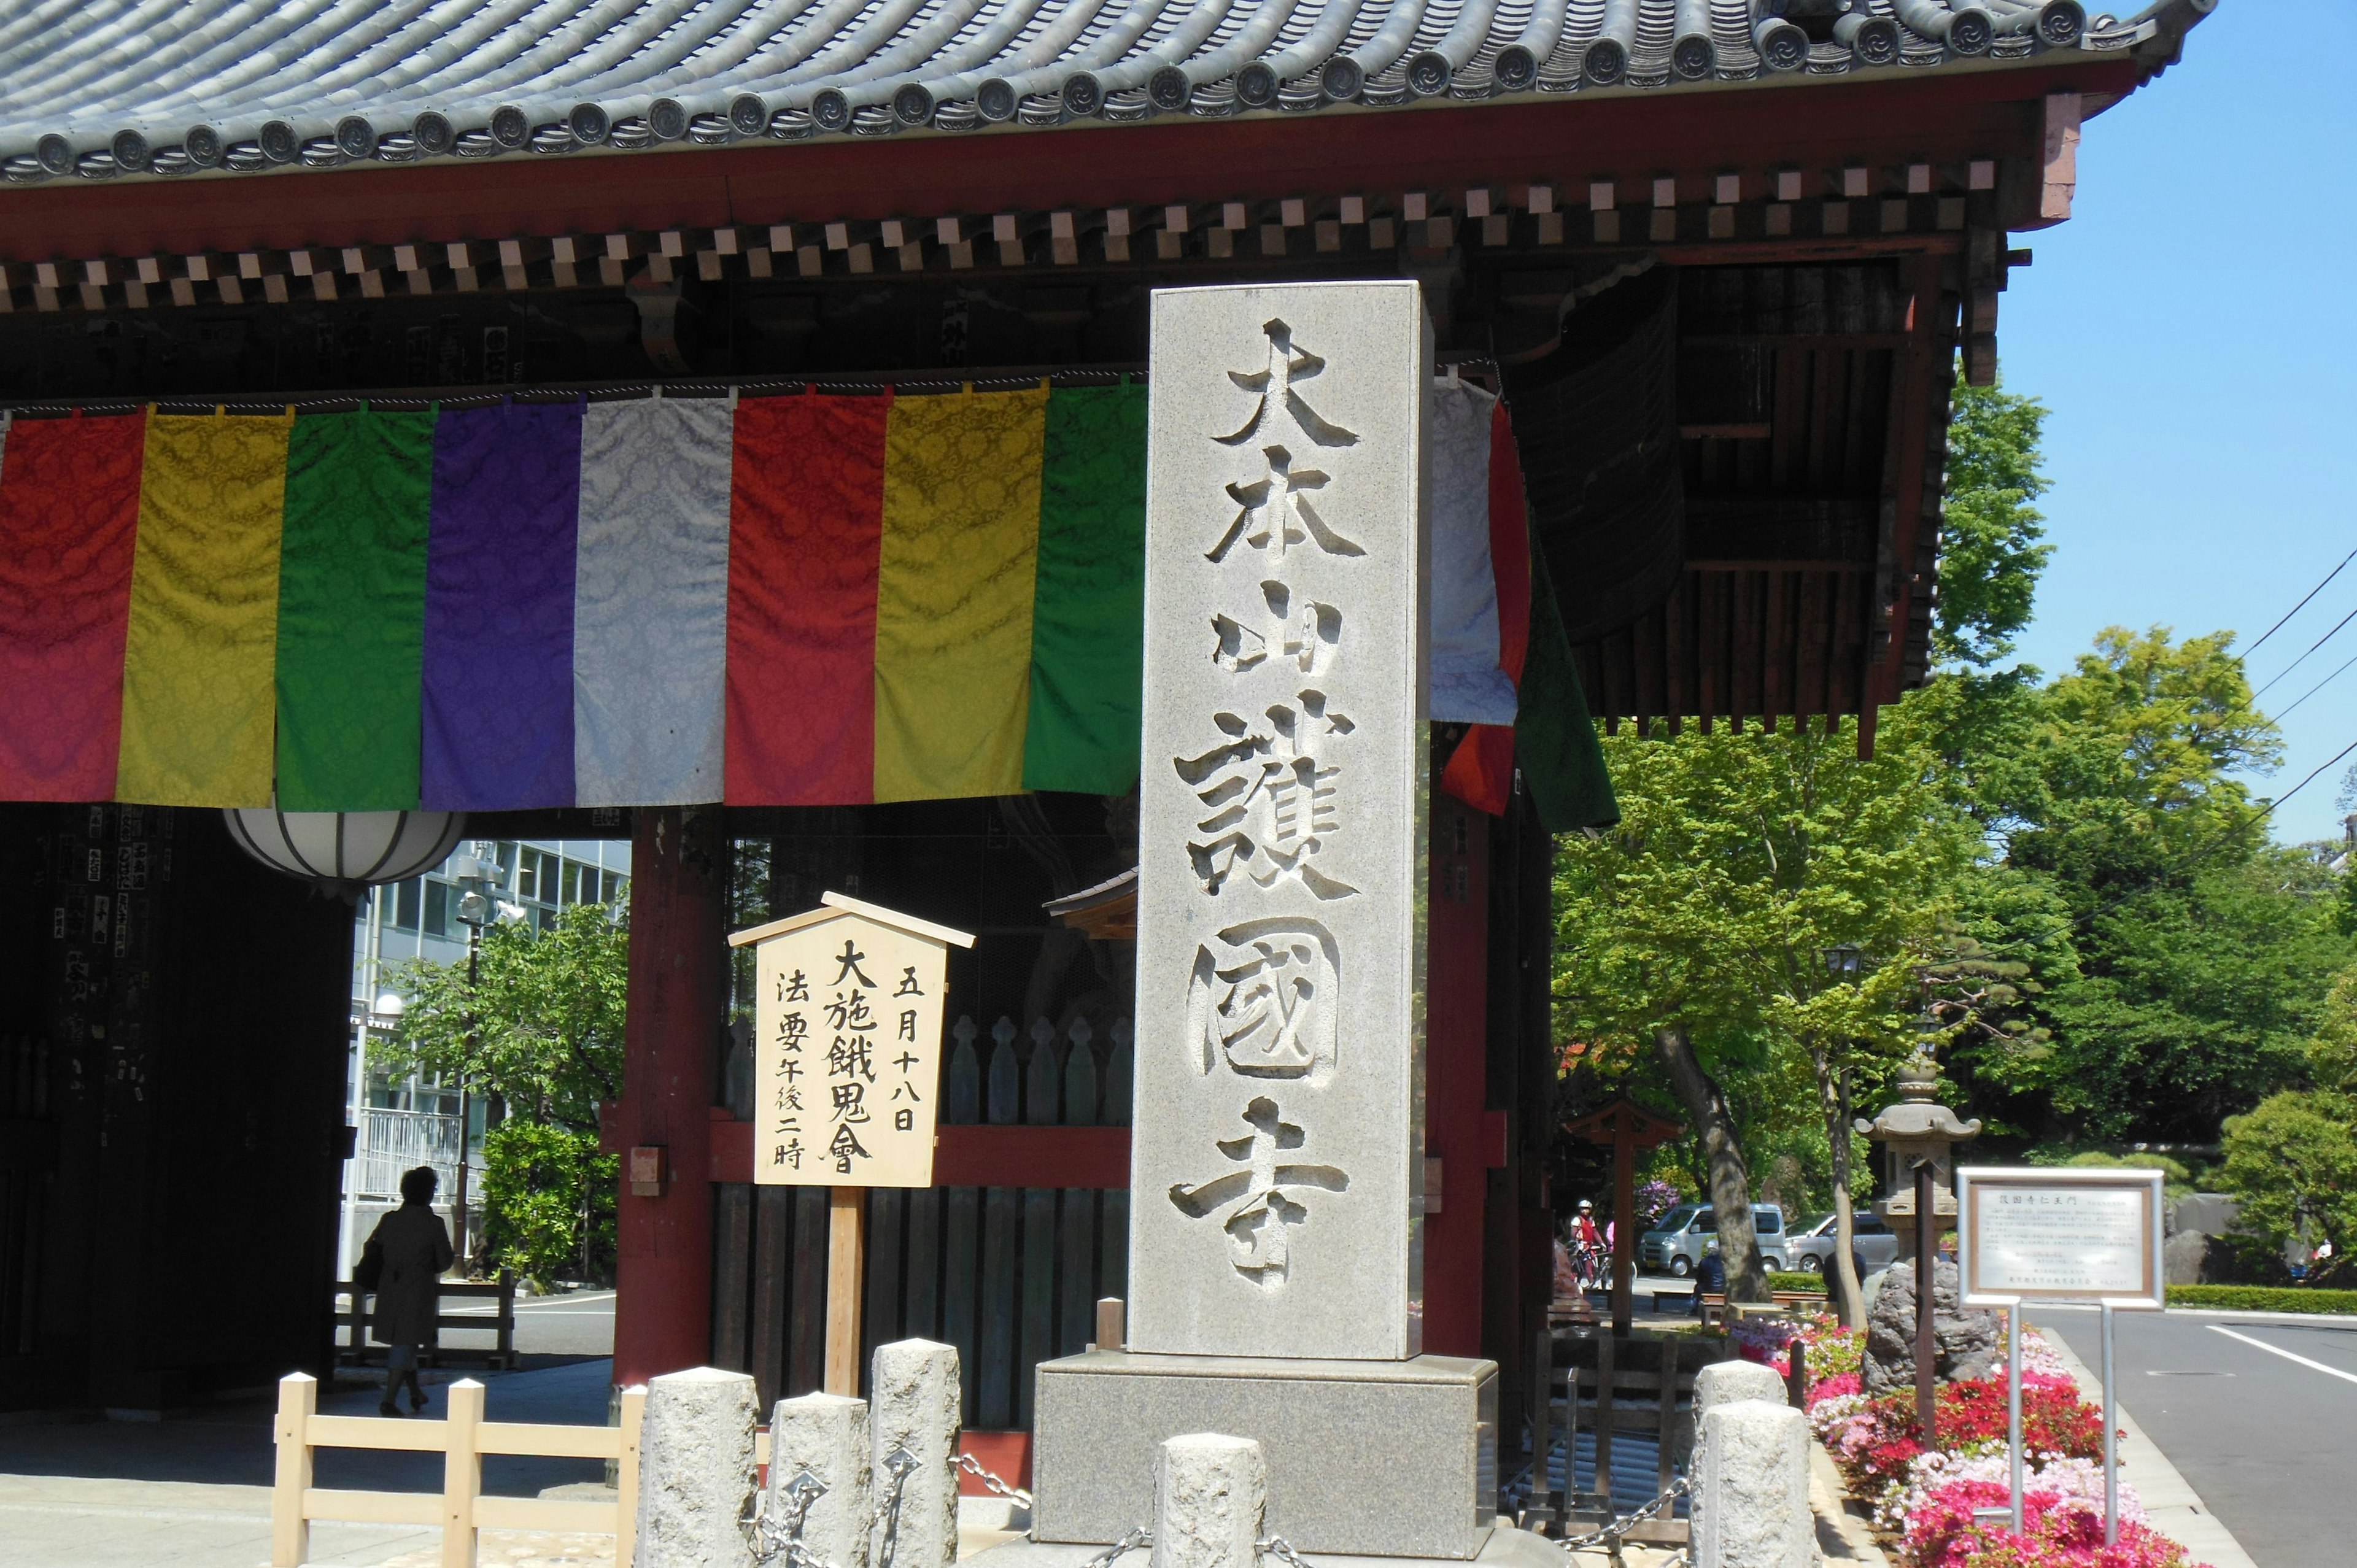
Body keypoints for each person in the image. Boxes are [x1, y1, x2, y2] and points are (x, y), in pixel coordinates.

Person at [359, 1165, 454, 1416]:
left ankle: (415, 1393)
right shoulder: (433, 1224)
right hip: (417, 1290)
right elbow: (445, 1261)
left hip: (389, 1287)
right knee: (405, 1343)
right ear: (428, 1193)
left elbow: (372, 1247)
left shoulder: (390, 1219)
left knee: (404, 1342)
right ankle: (388, 1400)